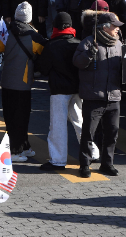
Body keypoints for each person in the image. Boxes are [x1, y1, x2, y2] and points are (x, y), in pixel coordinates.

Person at [36, 12, 97, 170]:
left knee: (57, 126)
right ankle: (93, 153)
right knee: (80, 121)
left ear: (55, 26)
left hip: (59, 91)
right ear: (70, 26)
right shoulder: (78, 43)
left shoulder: (51, 45)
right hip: (77, 89)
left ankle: (58, 160)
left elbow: (43, 69)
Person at [0, 2, 46, 161]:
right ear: (29, 18)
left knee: (11, 117)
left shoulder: (6, 33)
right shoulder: (34, 37)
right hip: (23, 84)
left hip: (7, 81)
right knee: (22, 117)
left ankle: (24, 146)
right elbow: (44, 51)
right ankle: (15, 151)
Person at [73, 12, 124, 178]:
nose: (117, 29)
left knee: (112, 133)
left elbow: (125, 68)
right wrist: (89, 54)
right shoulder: (89, 42)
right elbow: (77, 62)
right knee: (88, 133)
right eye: (114, 26)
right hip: (93, 96)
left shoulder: (119, 44)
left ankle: (107, 164)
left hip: (114, 96)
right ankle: (84, 165)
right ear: (105, 27)